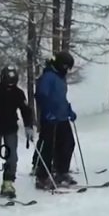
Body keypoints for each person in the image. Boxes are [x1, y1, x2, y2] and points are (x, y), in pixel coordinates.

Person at [0, 66, 34, 199]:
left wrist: (28, 126)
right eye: (8, 80)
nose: (10, 84)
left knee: (12, 157)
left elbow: (25, 110)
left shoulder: (18, 93)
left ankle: (8, 183)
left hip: (10, 128)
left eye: (12, 81)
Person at [34, 51, 77, 190]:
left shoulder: (60, 78)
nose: (67, 70)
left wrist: (68, 110)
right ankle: (42, 176)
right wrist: (48, 112)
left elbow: (61, 98)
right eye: (65, 67)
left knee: (68, 143)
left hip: (62, 117)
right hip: (50, 118)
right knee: (48, 147)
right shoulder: (48, 77)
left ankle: (61, 172)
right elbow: (41, 95)